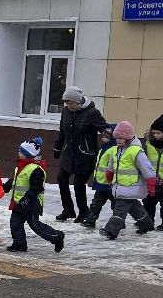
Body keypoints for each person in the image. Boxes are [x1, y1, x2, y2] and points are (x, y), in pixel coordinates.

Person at [53, 87, 109, 221]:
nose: (68, 106)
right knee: (61, 178)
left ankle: (83, 212)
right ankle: (68, 210)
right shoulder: (66, 112)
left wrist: (109, 139)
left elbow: (105, 129)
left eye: (70, 103)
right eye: (66, 103)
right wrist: (57, 147)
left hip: (85, 154)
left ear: (78, 102)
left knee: (79, 184)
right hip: (68, 153)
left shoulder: (92, 113)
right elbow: (62, 131)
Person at [3, 138, 66, 254]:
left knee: (35, 225)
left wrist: (27, 198)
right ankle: (19, 244)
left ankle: (57, 236)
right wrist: (5, 188)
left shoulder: (36, 169)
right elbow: (14, 180)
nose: (19, 153)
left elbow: (37, 187)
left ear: (28, 154)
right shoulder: (20, 166)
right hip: (19, 201)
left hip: (32, 202)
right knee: (15, 223)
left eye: (21, 152)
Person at [98, 121, 157, 239]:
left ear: (129, 138)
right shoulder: (116, 150)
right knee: (135, 208)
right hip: (120, 186)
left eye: (121, 138)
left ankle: (111, 231)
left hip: (131, 186)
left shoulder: (136, 152)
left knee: (119, 209)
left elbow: (147, 169)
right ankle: (147, 225)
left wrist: (151, 185)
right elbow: (111, 166)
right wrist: (109, 176)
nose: (118, 140)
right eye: (116, 138)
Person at [77, 123, 116, 228]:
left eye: (107, 137)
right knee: (95, 204)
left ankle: (118, 222)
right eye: (103, 136)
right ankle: (90, 220)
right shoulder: (102, 149)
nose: (103, 139)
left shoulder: (114, 150)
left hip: (111, 184)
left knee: (116, 206)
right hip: (101, 183)